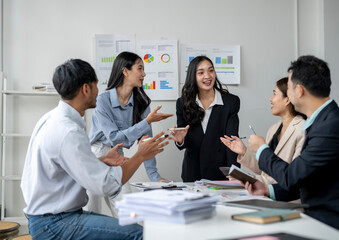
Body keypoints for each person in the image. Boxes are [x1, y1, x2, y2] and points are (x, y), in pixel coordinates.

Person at [20, 59, 169, 240]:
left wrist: (101, 160)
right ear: (86, 89)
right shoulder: (69, 131)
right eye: (96, 85)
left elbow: (63, 169)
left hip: (48, 217)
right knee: (139, 234)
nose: (99, 91)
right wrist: (140, 155)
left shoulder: (52, 119)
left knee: (127, 223)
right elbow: (106, 185)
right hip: (55, 223)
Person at [244, 55, 339, 237]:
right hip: (318, 220)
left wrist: (261, 149)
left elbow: (293, 177)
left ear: (299, 90)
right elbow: (307, 178)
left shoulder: (329, 128)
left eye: (288, 89)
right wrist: (267, 189)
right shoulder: (324, 120)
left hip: (334, 226)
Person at [87, 51, 173, 216]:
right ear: (125, 71)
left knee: (127, 213)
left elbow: (145, 144)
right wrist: (146, 122)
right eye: (140, 68)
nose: (144, 74)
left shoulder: (142, 104)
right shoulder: (102, 100)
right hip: (95, 154)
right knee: (90, 211)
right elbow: (113, 136)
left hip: (117, 154)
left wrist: (155, 177)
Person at [220, 78, 306, 184]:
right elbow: (266, 170)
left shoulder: (302, 130)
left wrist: (250, 179)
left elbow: (292, 177)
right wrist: (244, 151)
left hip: (287, 198)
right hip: (268, 196)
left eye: (274, 94)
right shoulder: (273, 129)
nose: (270, 99)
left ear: (287, 100)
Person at [170, 56, 240, 182]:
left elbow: (232, 141)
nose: (207, 76)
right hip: (193, 172)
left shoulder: (230, 102)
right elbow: (185, 141)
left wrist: (234, 173)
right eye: (201, 73)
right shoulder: (183, 103)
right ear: (193, 76)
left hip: (220, 173)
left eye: (211, 70)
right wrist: (180, 140)